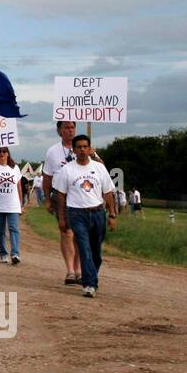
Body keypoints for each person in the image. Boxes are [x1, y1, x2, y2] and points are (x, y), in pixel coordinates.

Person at [54, 134, 117, 298]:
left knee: (96, 252)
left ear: (90, 149)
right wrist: (62, 218)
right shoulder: (67, 170)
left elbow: (108, 192)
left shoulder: (99, 168)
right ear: (74, 150)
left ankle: (91, 276)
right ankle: (89, 284)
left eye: (85, 147)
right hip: (76, 213)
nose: (82, 150)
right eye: (79, 147)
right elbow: (60, 195)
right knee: (84, 248)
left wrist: (112, 214)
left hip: (97, 212)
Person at [42, 121, 82, 285]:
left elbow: (99, 168)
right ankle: (70, 271)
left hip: (80, 197)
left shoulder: (83, 148)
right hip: (61, 197)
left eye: (72, 127)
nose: (70, 130)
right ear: (59, 131)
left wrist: (93, 155)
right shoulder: (53, 152)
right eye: (66, 127)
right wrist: (47, 199)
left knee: (80, 235)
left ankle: (79, 269)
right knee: (67, 232)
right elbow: (47, 177)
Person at [0, 147, 22, 265]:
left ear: (8, 154)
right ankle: (3, 253)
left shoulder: (15, 168)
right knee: (0, 231)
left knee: (13, 228)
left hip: (12, 203)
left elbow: (18, 186)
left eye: (4, 151)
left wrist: (21, 203)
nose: (2, 154)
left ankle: (15, 253)